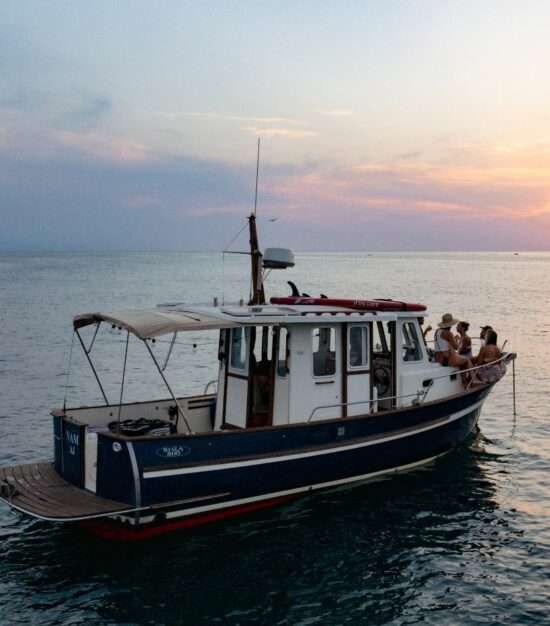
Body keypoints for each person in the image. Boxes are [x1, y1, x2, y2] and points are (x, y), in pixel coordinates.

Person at [434, 313, 475, 384]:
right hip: (446, 360)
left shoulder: (437, 331)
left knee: (461, 359)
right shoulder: (448, 333)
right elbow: (456, 347)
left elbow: (444, 344)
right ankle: (473, 380)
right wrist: (456, 340)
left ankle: (464, 382)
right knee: (467, 360)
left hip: (438, 359)